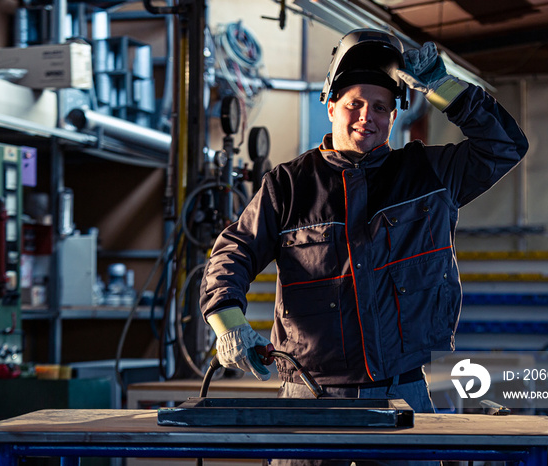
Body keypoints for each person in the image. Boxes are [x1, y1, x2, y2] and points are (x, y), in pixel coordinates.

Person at [200, 28, 528, 465]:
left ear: (395, 117)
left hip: (403, 393)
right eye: (354, 103)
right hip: (309, 398)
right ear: (331, 105)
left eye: (381, 107)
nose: (366, 117)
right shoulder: (288, 185)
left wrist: (440, 86)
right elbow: (233, 251)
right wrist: (229, 325)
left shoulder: (429, 173)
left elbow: (503, 147)